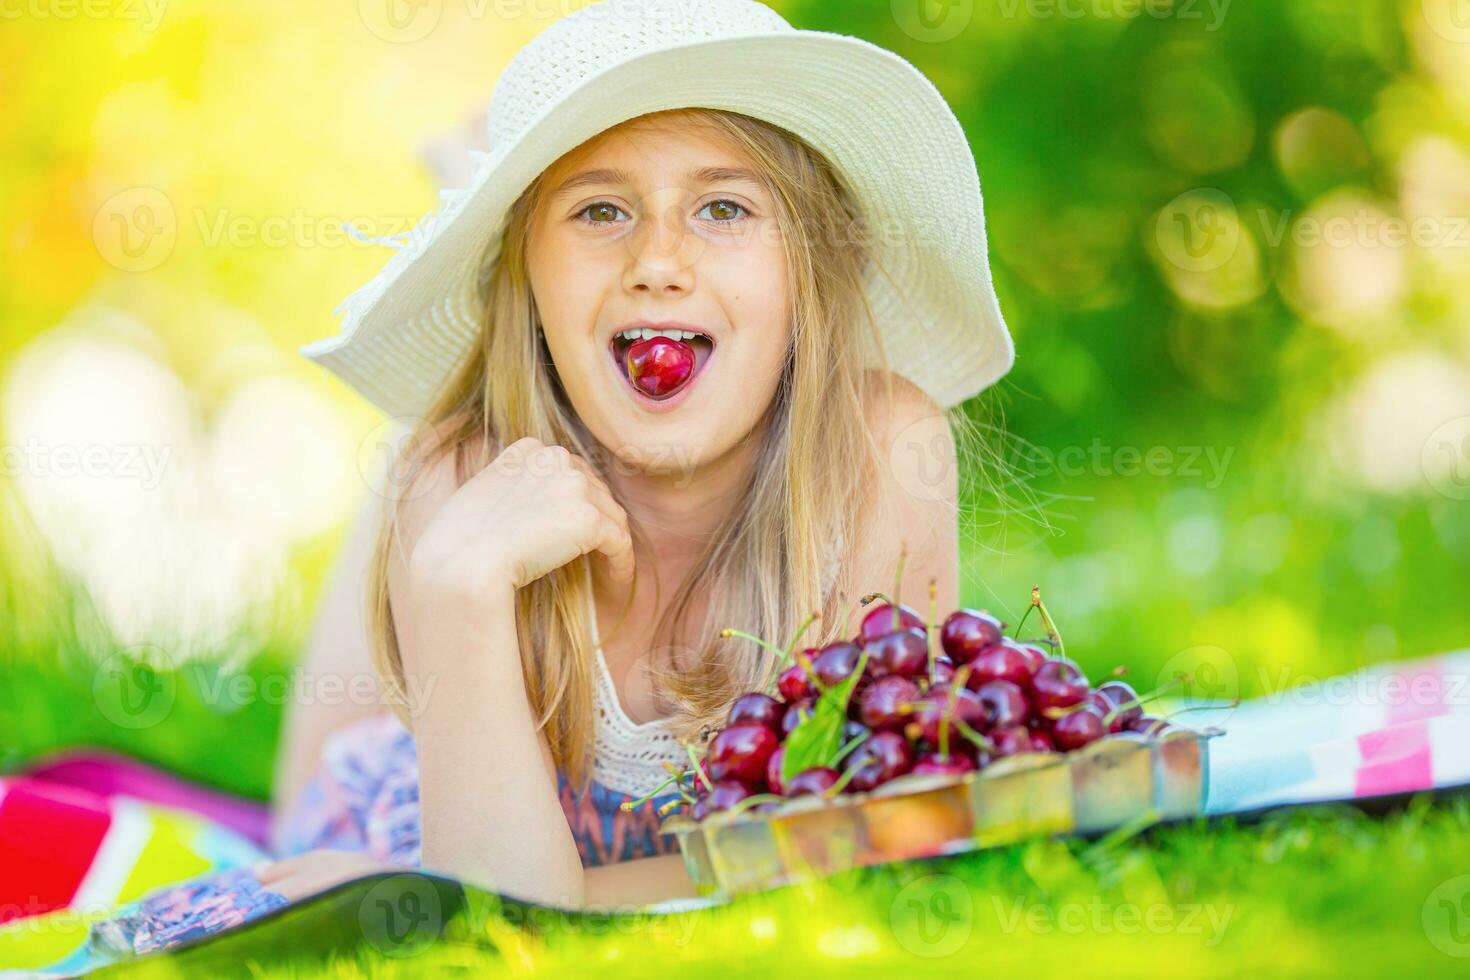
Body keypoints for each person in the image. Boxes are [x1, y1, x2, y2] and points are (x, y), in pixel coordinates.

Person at [142, 0, 1016, 927]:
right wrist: (453, 580)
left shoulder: (881, 449)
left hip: (511, 865)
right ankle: (475, 211)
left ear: (808, 270)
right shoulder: (457, 489)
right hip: (426, 815)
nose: (658, 262)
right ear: (529, 279)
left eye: (725, 207)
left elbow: (863, 839)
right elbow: (489, 913)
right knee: (419, 495)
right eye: (600, 209)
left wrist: (569, 896)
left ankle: (471, 183)